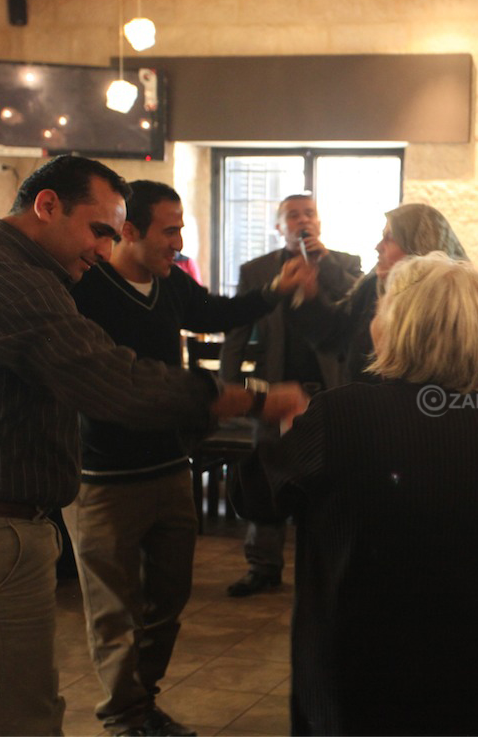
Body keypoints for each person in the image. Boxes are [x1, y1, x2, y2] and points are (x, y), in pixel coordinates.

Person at [0, 155, 278, 736]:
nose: (103, 249)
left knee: (8, 716)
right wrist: (240, 399)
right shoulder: (6, 280)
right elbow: (111, 380)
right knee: (20, 723)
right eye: (98, 230)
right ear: (47, 206)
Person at [263, 252, 478, 735]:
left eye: (381, 305)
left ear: (402, 327)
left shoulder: (343, 413)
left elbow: (253, 495)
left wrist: (290, 428)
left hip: (369, 658)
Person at [67, 180, 303, 736]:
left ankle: (142, 701)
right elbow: (122, 383)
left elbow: (217, 312)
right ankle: (126, 715)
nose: (178, 243)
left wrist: (277, 289)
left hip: (169, 467)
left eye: (180, 230)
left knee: (168, 600)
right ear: (128, 230)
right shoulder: (89, 289)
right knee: (114, 611)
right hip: (105, 477)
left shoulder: (169, 283)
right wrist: (249, 400)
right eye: (169, 231)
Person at [218, 193, 361, 597]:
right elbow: (237, 333)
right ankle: (262, 566)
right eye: (293, 216)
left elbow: (361, 307)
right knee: (269, 473)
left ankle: (329, 566)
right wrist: (228, 388)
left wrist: (325, 263)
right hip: (275, 390)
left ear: (319, 222)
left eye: (309, 214)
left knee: (332, 479)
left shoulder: (345, 264)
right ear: (279, 227)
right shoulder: (257, 270)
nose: (302, 221)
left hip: (332, 390)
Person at [286, 202, 468, 383]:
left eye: (390, 238)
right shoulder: (373, 287)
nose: (378, 247)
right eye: (382, 237)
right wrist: (310, 295)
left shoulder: (450, 304)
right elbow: (335, 333)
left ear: (418, 246)